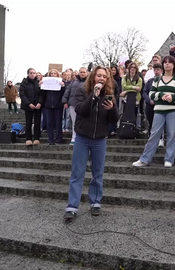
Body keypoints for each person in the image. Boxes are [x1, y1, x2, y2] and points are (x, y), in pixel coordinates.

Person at [64, 66, 119, 221]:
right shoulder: (82, 90)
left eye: (104, 76)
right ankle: (72, 206)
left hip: (100, 139)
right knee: (77, 172)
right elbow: (81, 110)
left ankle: (95, 203)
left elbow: (114, 120)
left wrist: (112, 109)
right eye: (99, 75)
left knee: (98, 173)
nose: (101, 78)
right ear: (93, 77)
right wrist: (93, 97)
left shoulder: (108, 94)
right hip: (82, 138)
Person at [132, 55, 175, 168]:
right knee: (154, 135)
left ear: (173, 65)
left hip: (174, 111)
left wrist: (173, 97)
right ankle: (145, 159)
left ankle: (169, 159)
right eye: (165, 62)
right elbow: (151, 94)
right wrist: (161, 95)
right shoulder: (156, 80)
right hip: (159, 111)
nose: (167, 63)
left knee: (172, 135)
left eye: (169, 62)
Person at [62, 67, 88, 145]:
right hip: (73, 104)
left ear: (87, 73)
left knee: (84, 121)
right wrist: (65, 101)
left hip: (84, 104)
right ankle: (74, 138)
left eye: (84, 72)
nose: (82, 73)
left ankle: (84, 138)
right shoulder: (73, 82)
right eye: (81, 72)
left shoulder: (90, 82)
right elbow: (67, 91)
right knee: (74, 122)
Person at [41, 69, 66, 145]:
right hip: (48, 106)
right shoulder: (46, 83)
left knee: (58, 123)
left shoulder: (60, 83)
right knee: (49, 123)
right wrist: (40, 86)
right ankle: (50, 139)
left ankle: (58, 139)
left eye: (55, 73)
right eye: (51, 73)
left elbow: (64, 93)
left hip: (58, 106)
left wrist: (63, 86)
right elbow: (42, 95)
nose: (53, 74)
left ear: (57, 75)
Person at [19, 68, 43, 146]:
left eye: (34, 73)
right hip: (28, 106)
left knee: (37, 122)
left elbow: (42, 94)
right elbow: (22, 95)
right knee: (28, 122)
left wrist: (40, 103)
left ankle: (37, 138)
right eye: (31, 73)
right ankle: (28, 138)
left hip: (37, 106)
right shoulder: (24, 83)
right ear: (28, 74)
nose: (32, 74)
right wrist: (29, 104)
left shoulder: (39, 82)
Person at [120, 62, 143, 130]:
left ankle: (137, 128)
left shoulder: (139, 79)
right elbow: (124, 86)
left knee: (137, 113)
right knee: (124, 112)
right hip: (126, 99)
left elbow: (139, 89)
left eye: (134, 68)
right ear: (129, 69)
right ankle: (123, 127)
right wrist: (134, 87)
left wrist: (127, 91)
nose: (133, 69)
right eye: (131, 67)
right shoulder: (124, 77)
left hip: (136, 98)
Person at [142, 63, 163, 135]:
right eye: (155, 70)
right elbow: (144, 92)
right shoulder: (150, 81)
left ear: (161, 70)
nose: (156, 71)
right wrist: (149, 100)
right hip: (150, 104)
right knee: (150, 119)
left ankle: (160, 137)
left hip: (159, 104)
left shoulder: (164, 80)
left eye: (158, 69)